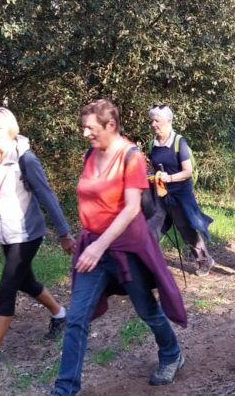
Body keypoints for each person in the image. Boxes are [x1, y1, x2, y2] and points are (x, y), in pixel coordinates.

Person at [51, 99, 187, 395]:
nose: (85, 133)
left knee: (146, 310)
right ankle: (65, 389)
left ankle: (171, 354)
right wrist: (90, 242)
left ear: (110, 125)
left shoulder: (130, 156)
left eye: (90, 128)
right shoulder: (90, 154)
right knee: (76, 319)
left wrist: (99, 246)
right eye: (83, 127)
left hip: (126, 248)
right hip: (93, 248)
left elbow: (131, 208)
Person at [0, 108, 75, 374]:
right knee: (26, 281)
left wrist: (64, 233)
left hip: (27, 234)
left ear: (11, 130)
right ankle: (60, 315)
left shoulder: (25, 159)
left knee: (7, 287)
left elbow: (46, 195)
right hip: (4, 233)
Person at [146, 104, 216, 276]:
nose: (153, 124)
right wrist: (150, 175)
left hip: (180, 194)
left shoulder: (179, 142)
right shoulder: (152, 144)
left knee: (185, 229)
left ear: (168, 121)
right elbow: (154, 168)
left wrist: (169, 178)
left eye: (157, 120)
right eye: (152, 121)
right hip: (160, 194)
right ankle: (146, 265)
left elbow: (187, 172)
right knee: (152, 227)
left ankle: (204, 260)